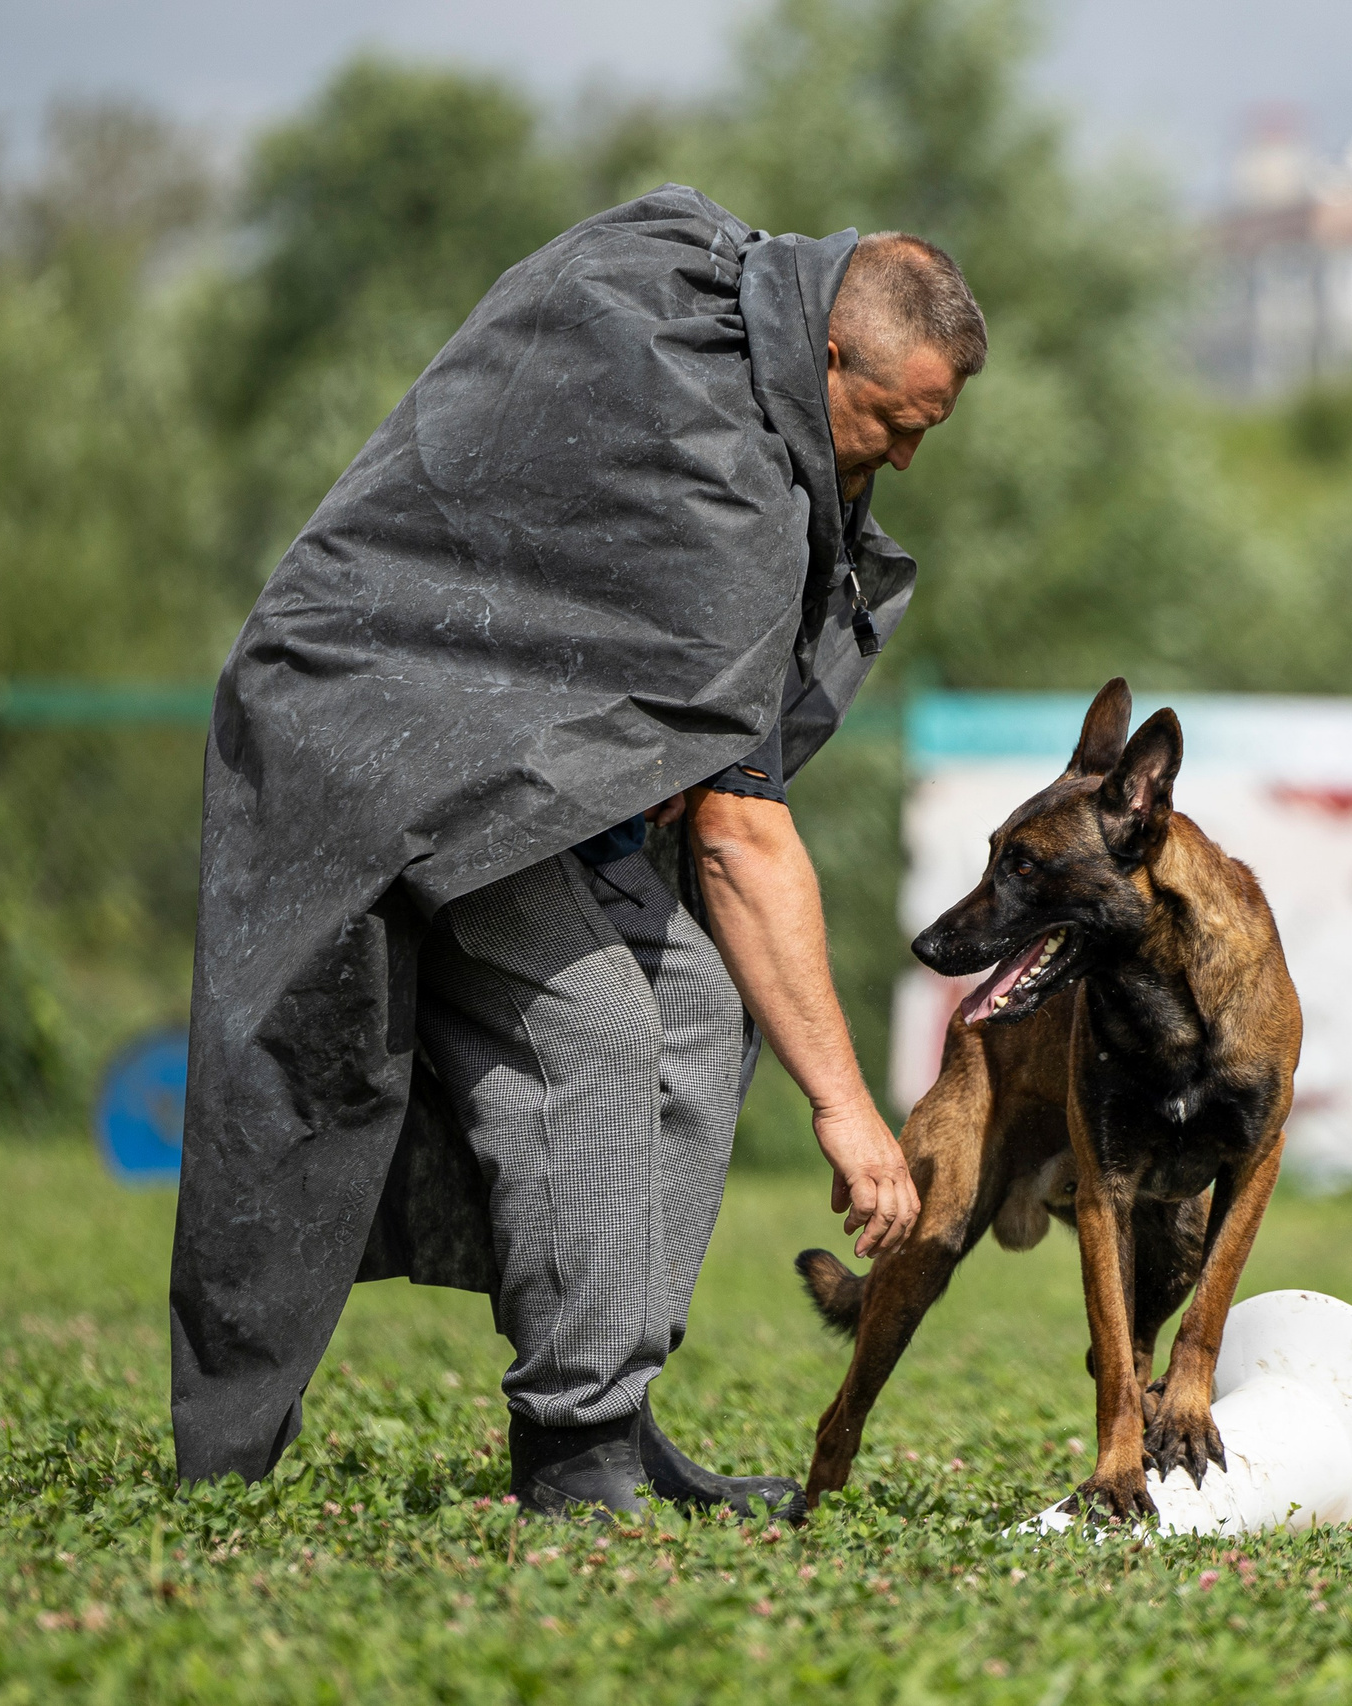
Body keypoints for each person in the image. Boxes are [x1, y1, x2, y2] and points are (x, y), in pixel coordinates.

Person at [167, 185, 986, 1518]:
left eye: (926, 433)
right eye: (892, 421)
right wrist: (850, 1114)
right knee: (595, 1023)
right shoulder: (717, 454)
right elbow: (736, 834)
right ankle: (572, 1451)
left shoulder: (720, 308)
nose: (898, 461)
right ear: (828, 351)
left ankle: (612, 1411)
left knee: (700, 1005)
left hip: (517, 759)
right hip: (377, 737)